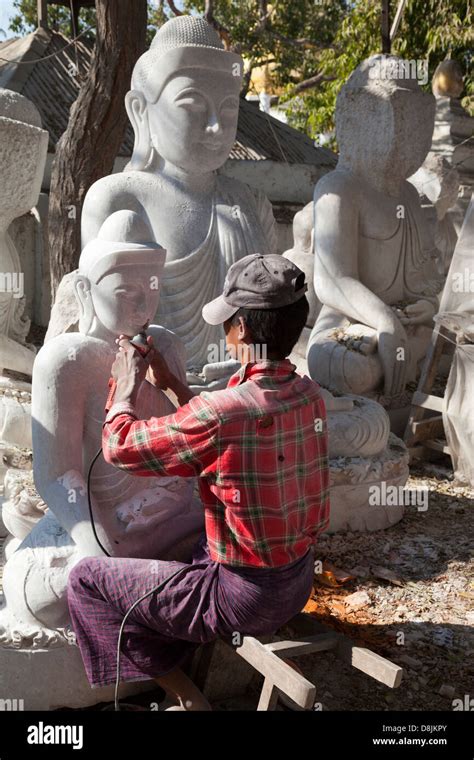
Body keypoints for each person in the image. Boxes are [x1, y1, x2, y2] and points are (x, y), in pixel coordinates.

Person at [67, 253, 330, 711]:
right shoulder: (309, 395)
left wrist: (126, 385)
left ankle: (188, 698)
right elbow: (226, 433)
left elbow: (120, 446)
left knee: (86, 580)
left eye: (228, 323)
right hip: (298, 580)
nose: (224, 333)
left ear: (243, 329)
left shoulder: (223, 414)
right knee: (186, 546)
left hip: (245, 597)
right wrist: (170, 385)